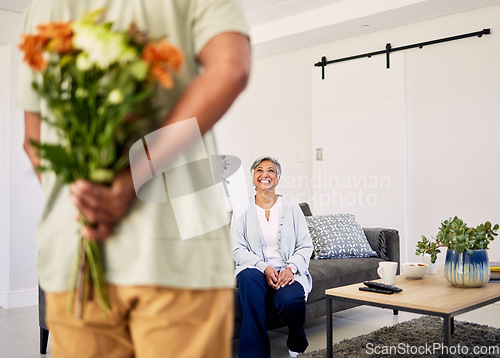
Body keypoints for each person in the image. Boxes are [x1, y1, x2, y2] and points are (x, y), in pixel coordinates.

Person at [18, 0, 251, 357]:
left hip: (76, 250)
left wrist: (86, 205)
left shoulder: (39, 8)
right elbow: (231, 68)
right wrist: (131, 181)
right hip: (179, 249)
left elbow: (33, 143)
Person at [231, 156, 313, 358]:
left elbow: (305, 244)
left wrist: (291, 268)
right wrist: (263, 267)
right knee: (249, 280)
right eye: (259, 170)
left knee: (290, 300)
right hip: (254, 269)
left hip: (286, 269)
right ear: (252, 178)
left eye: (271, 171)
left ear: (277, 179)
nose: (264, 174)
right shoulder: (242, 208)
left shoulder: (291, 206)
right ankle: (254, 354)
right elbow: (236, 248)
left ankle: (296, 340)